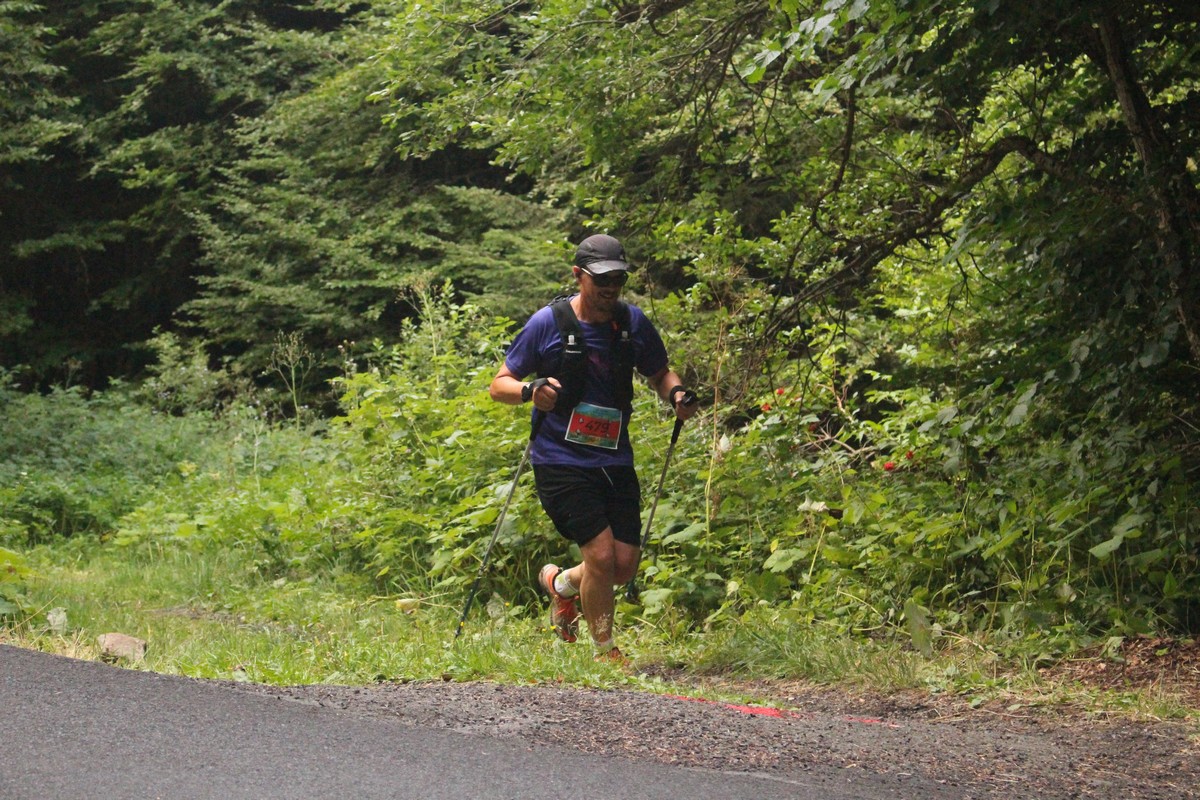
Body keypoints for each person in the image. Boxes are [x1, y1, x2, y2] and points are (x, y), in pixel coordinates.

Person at [489, 233, 697, 663]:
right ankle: (605, 652)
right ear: (578, 276)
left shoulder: (632, 323)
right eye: (601, 279)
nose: (610, 288)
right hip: (559, 458)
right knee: (600, 555)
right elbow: (499, 384)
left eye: (618, 279)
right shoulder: (548, 323)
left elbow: (660, 374)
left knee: (622, 566)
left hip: (614, 457)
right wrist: (530, 391)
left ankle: (561, 585)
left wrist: (677, 395)